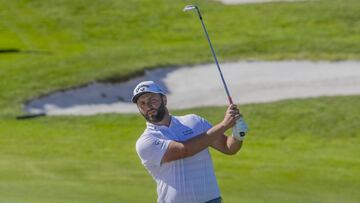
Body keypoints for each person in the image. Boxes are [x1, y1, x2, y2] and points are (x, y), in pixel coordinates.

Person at [133, 81, 245, 203]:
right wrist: (224, 125)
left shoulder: (194, 121)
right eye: (142, 103)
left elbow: (228, 147)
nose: (148, 106)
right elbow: (185, 150)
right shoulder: (146, 141)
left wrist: (237, 135)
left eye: (152, 100)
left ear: (164, 100)